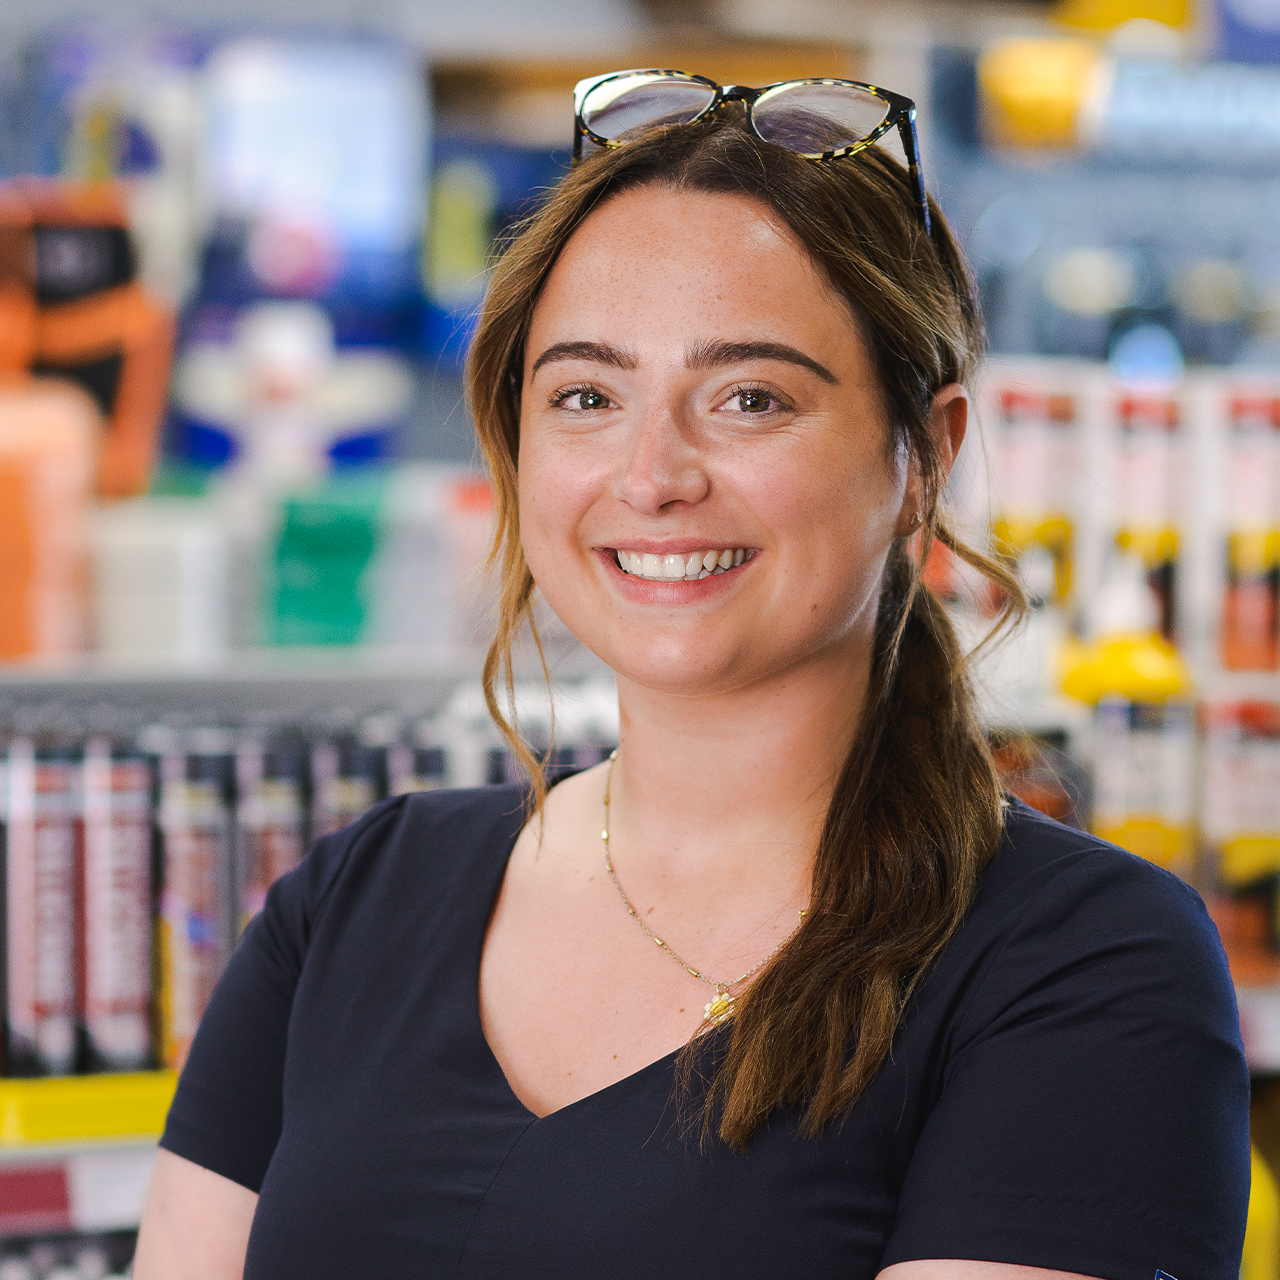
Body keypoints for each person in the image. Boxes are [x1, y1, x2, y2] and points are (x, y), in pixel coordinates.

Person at [134, 72, 1249, 1280]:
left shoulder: (1081, 964)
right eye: (585, 396)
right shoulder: (351, 903)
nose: (652, 472)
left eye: (749, 397)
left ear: (924, 454)